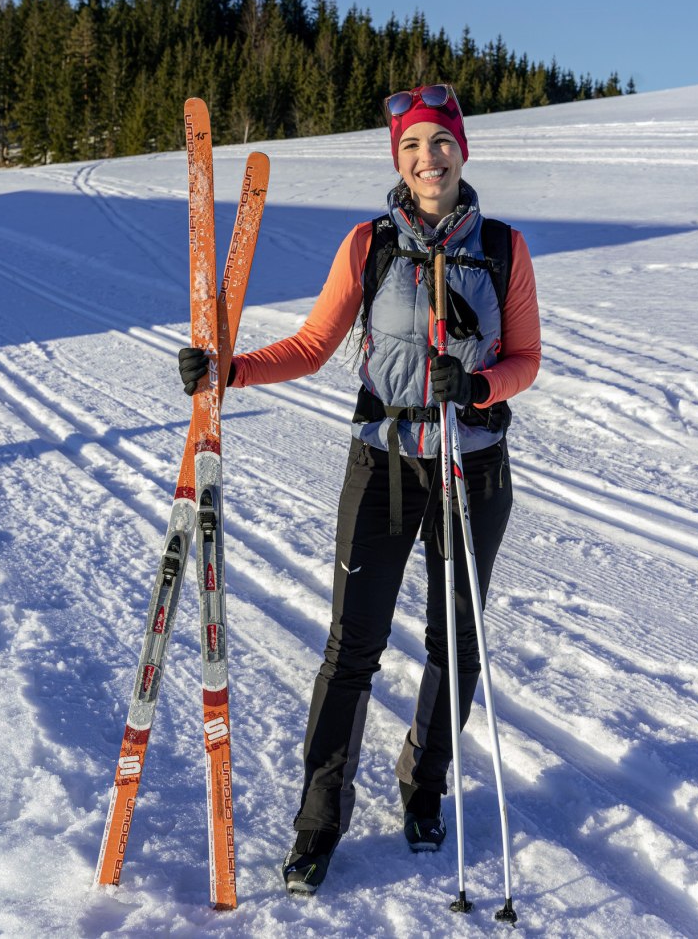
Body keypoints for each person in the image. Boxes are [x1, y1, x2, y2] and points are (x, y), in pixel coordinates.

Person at [179, 83, 541, 895]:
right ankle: (319, 820)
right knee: (353, 647)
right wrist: (229, 370)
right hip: (382, 464)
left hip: (472, 464)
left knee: (458, 643)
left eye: (440, 143)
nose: (428, 159)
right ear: (399, 160)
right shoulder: (370, 245)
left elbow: (527, 360)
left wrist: (477, 388)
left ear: (462, 151)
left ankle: (424, 784)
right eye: (412, 147)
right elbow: (313, 345)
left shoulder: (505, 248)